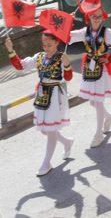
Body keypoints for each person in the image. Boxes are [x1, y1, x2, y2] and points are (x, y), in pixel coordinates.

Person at [5, 33, 74, 176]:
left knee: (50, 130)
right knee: (45, 130)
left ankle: (46, 163)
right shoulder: (39, 56)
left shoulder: (62, 57)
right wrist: (11, 50)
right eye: (44, 44)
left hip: (54, 95)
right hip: (42, 95)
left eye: (49, 44)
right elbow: (20, 66)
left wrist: (67, 64)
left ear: (56, 43)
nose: (46, 47)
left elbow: (68, 77)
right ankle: (67, 142)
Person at [68, 0, 111, 148]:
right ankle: (108, 117)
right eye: (94, 16)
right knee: (93, 101)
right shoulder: (84, 31)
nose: (97, 19)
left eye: (99, 16)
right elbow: (68, 36)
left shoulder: (107, 32)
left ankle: (98, 134)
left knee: (98, 100)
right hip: (89, 68)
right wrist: (68, 22)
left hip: (101, 71)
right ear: (88, 17)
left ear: (103, 17)